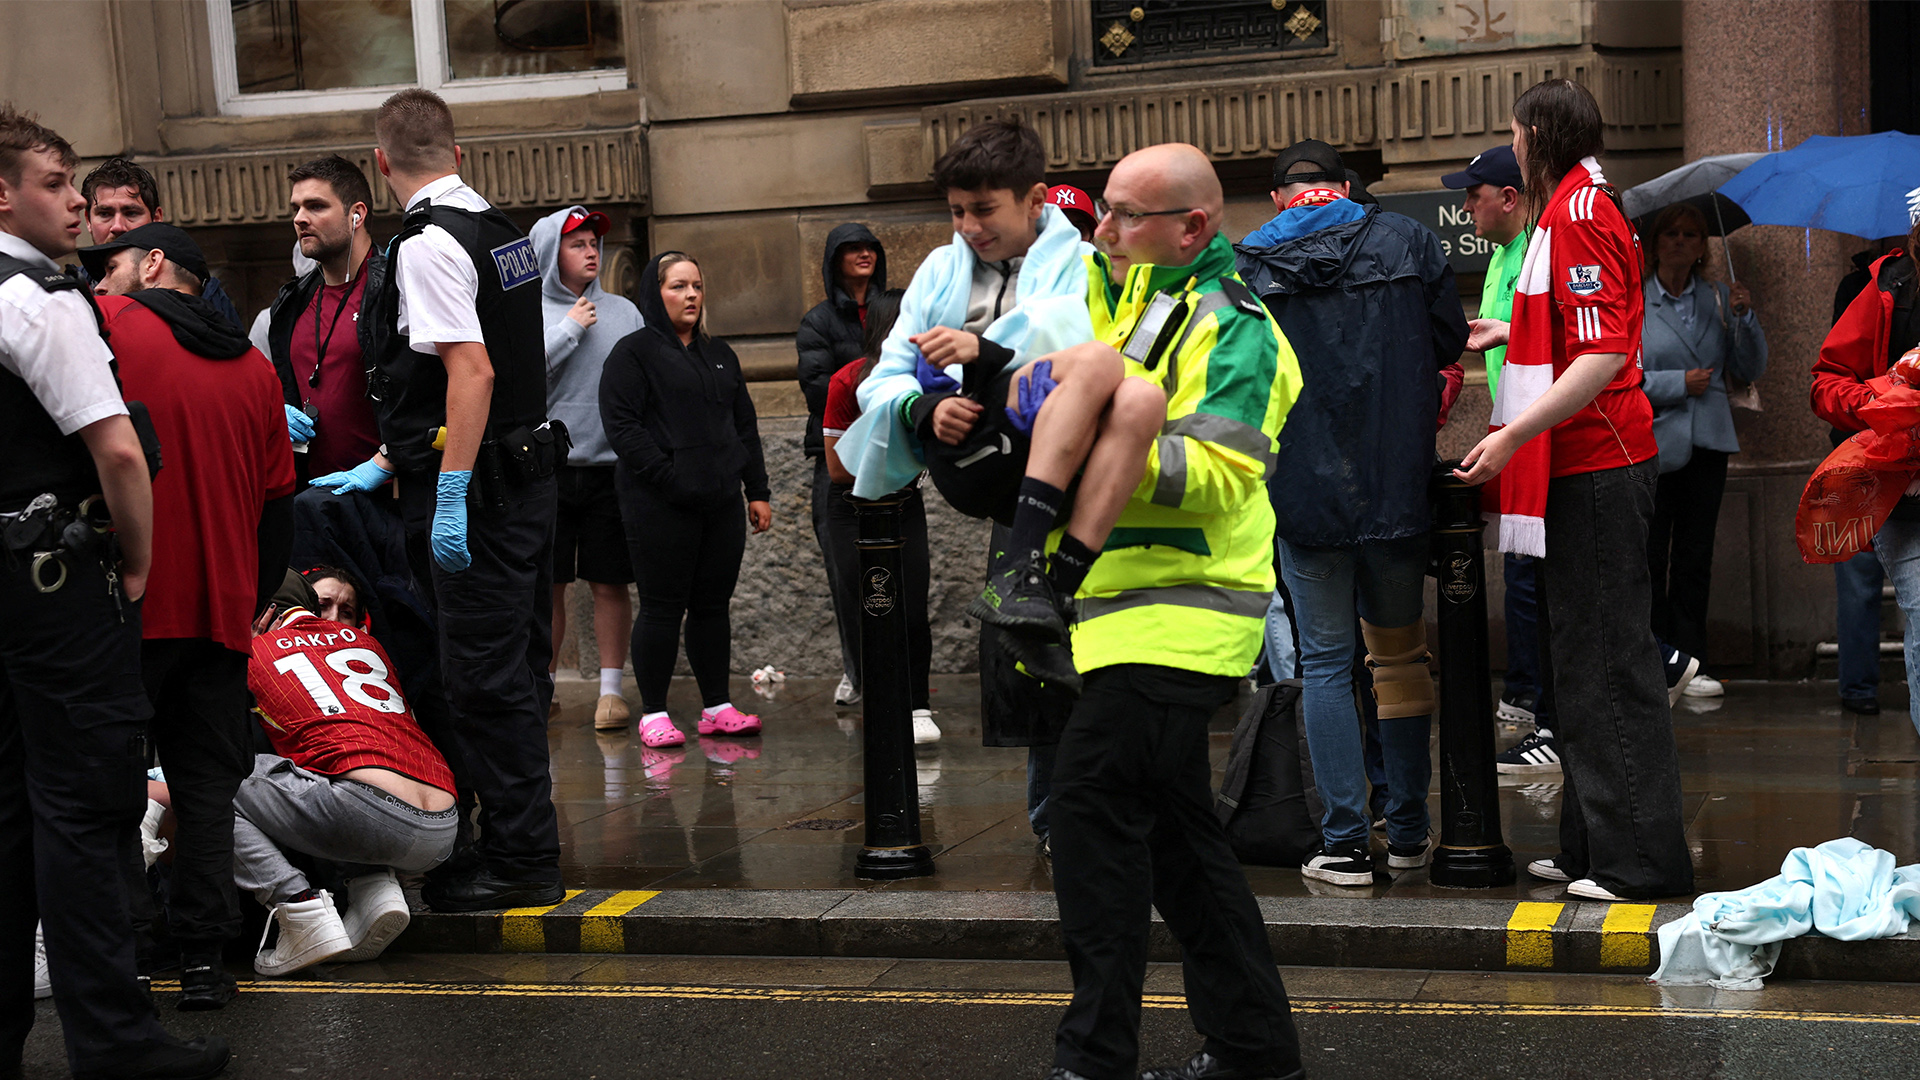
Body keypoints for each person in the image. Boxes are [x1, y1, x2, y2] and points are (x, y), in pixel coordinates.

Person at [1043, 142, 1306, 1080]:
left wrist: (1090, 454)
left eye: (1126, 215)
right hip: (1119, 618)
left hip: (1184, 622)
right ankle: (1255, 1051)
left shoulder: (1236, 326)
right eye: (1104, 210)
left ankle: (1094, 1059)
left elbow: (1222, 471)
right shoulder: (1126, 299)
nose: (1104, 231)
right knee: (1178, 844)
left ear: (1193, 227)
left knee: (1086, 812)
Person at [0, 104, 229, 1080]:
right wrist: (136, 562)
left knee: (11, 817)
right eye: (55, 185)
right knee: (88, 810)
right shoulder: (41, 300)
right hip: (59, 588)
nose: (76, 205)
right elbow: (120, 452)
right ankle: (116, 1043)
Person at [322, 88, 565, 914]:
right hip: (524, 481)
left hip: (480, 492)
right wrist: (388, 457)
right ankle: (523, 838)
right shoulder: (501, 230)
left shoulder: (428, 245)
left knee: (483, 680)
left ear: (380, 162)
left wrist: (451, 491)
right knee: (519, 669)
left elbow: (473, 371)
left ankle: (521, 858)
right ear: (457, 154)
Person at [1456, 78, 1693, 901]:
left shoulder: (1581, 213)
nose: (1512, 145)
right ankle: (1593, 845)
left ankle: (1638, 862)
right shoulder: (1573, 207)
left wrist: (1511, 434)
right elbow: (1577, 330)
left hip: (1598, 461)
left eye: (1516, 133)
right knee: (1579, 661)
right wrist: (1510, 329)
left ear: (1542, 137)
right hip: (1586, 462)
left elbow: (1601, 354)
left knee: (1607, 664)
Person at [839, 118, 1167, 692]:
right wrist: (922, 410)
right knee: (1098, 363)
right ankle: (1024, 570)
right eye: (957, 211)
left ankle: (1050, 591)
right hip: (965, 454)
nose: (969, 227)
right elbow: (883, 375)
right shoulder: (938, 272)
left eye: (984, 210)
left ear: (1036, 200)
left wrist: (986, 352)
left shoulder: (1084, 264)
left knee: (1135, 392)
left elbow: (1098, 347)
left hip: (1050, 455)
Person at [1234, 138, 1469, 887]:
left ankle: (1343, 842)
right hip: (1395, 485)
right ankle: (1409, 832)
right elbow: (1448, 340)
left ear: (1281, 197)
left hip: (1302, 494)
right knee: (1398, 659)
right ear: (1344, 187)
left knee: (1326, 663)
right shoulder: (1406, 239)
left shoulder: (1249, 263)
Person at [84, 221, 298, 1009]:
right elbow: (279, 507)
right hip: (219, 614)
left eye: (110, 265)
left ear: (151, 264)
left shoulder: (109, 325)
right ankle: (206, 962)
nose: (99, 280)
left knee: (110, 792)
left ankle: (133, 957)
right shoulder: (253, 366)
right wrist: (246, 597)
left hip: (125, 608)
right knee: (206, 793)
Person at [240, 572, 457, 977]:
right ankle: (376, 891)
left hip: (369, 814)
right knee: (336, 768)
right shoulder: (367, 642)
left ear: (264, 613)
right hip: (443, 823)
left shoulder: (254, 648)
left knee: (214, 780)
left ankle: (299, 909)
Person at [600, 251, 771, 748]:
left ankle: (717, 706)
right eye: (678, 286)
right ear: (655, 293)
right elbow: (623, 427)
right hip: (658, 504)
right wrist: (670, 478)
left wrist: (757, 490)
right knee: (661, 608)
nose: (691, 295)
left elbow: (744, 425)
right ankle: (653, 713)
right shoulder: (632, 354)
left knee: (712, 606)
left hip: (721, 502)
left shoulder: (721, 354)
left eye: (697, 285)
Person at [1438, 146, 1556, 748]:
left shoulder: (1539, 250)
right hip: (1509, 428)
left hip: (1540, 435)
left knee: (1536, 574)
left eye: (1473, 194)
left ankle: (1545, 701)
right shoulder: (1499, 257)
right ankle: (1528, 690)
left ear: (1509, 198)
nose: (1465, 207)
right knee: (1520, 570)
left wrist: (1510, 332)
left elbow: (1563, 339)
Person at [1641, 201, 1768, 700]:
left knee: (1695, 558)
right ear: (1655, 243)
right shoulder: (1635, 301)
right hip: (1654, 445)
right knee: (1651, 557)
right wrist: (1678, 383)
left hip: (1708, 444)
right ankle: (1654, 660)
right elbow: (1619, 375)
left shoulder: (1717, 297)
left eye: (1690, 235)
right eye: (1670, 233)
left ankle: (1692, 662)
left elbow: (1750, 368)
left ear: (1702, 247)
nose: (1680, 241)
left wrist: (1745, 317)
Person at [532, 205, 644, 731]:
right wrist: (568, 329)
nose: (591, 251)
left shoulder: (625, 312)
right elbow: (518, 382)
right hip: (547, 471)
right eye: (576, 243)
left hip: (611, 470)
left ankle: (611, 692)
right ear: (550, 251)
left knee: (609, 582)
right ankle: (545, 688)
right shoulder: (526, 310)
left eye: (594, 242)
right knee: (548, 586)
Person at [1812, 214, 1920, 740]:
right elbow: (1827, 383)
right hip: (1901, 493)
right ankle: (1858, 687)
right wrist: (1885, 402)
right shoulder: (1885, 288)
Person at [821, 289, 938, 745]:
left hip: (904, 502)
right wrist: (899, 463)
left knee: (913, 608)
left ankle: (918, 707)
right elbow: (837, 468)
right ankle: (882, 704)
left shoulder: (928, 379)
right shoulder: (848, 381)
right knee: (871, 606)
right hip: (853, 508)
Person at [797, 223, 886, 708]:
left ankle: (898, 669)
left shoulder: (893, 308)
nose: (863, 254)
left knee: (895, 569)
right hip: (835, 454)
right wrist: (874, 391)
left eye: (869, 246)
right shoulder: (818, 321)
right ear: (835, 259)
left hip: (891, 451)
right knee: (844, 571)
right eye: (852, 248)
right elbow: (817, 389)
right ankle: (857, 672)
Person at [264, 156, 386, 484]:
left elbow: (427, 397)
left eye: (316, 206)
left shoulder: (394, 289)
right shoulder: (291, 303)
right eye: (296, 208)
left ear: (356, 214)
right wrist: (275, 412)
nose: (300, 219)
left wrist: (388, 461)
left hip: (391, 495)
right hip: (311, 493)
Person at [1827, 240, 1901, 717]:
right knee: (1858, 574)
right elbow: (1834, 375)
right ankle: (1857, 687)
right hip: (1863, 449)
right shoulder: (1862, 286)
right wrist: (1879, 402)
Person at [78, 157, 241, 328]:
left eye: (131, 213)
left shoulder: (207, 295)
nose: (118, 227)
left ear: (156, 218)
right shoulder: (72, 293)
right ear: (88, 221)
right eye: (105, 214)